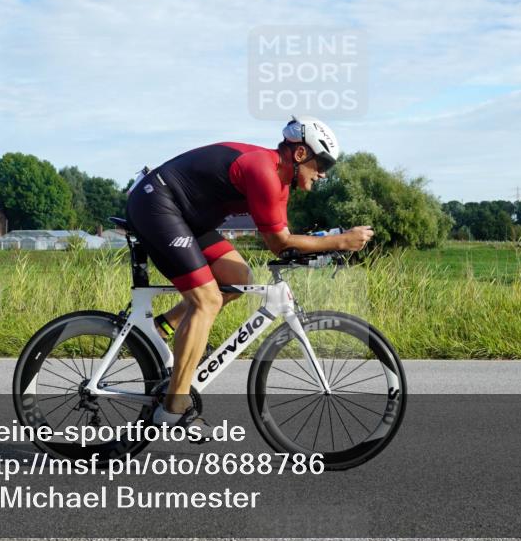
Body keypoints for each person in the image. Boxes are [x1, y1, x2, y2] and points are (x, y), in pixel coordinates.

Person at [124, 116, 374, 432]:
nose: (323, 173)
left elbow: (283, 243)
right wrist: (340, 240)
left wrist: (327, 245)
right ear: (299, 155)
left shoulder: (280, 185)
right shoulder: (264, 171)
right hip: (156, 204)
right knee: (207, 301)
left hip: (186, 216)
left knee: (238, 277)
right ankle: (174, 405)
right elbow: (279, 243)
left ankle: (162, 328)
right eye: (321, 162)